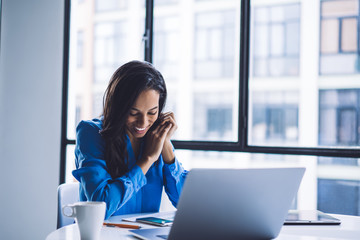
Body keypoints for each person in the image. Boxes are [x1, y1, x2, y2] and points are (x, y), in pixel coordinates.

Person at [72, 60, 187, 219]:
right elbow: (100, 205)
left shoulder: (155, 136)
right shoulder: (90, 132)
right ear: (118, 107)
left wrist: (166, 146)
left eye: (152, 113)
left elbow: (185, 204)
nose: (143, 123)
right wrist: (147, 160)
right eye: (133, 113)